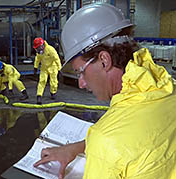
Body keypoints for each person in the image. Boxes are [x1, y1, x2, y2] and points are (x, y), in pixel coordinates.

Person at [34, 3, 176, 179]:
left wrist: (97, 145)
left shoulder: (106, 139)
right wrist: (80, 146)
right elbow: (136, 141)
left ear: (104, 61)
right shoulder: (168, 88)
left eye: (80, 72)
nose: (81, 83)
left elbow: (114, 142)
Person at [33, 37, 62, 104]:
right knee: (42, 81)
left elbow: (56, 59)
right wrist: (35, 67)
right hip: (44, 68)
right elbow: (37, 59)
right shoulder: (39, 52)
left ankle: (53, 93)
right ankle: (39, 95)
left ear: (42, 45)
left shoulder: (50, 50)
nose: (38, 49)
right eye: (37, 48)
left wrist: (59, 68)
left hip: (53, 67)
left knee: (53, 81)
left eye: (38, 47)